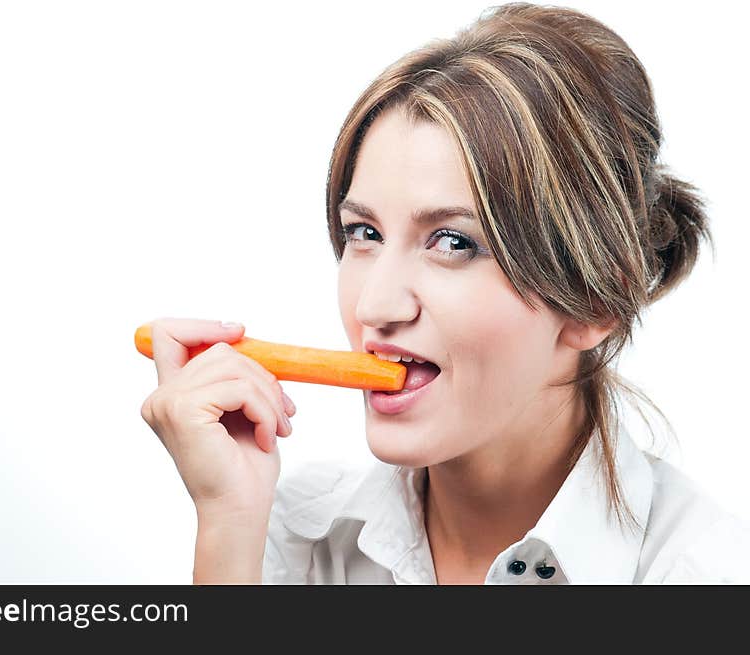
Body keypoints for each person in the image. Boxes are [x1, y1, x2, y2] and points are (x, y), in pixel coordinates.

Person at [139, 2, 750, 584]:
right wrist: (229, 527)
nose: (373, 306)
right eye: (365, 233)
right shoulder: (286, 539)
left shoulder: (706, 577)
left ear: (595, 302)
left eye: (453, 242)